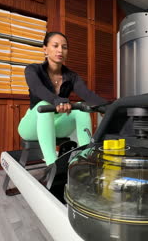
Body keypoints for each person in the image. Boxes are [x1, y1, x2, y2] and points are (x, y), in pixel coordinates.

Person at [18, 31, 107, 165]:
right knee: (44, 105)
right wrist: (56, 100)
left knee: (80, 108)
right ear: (45, 49)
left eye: (64, 47)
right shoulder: (32, 69)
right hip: (32, 126)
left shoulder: (72, 76)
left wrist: (108, 107)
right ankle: (52, 165)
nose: (60, 50)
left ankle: (86, 160)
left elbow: (87, 94)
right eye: (55, 46)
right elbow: (37, 88)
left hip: (57, 126)